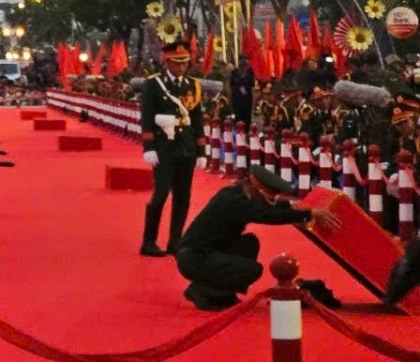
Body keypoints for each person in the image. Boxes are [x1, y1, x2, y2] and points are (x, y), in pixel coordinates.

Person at [175, 166, 342, 310]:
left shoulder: (235, 193)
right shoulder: (236, 202)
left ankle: (223, 294)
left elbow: (269, 207)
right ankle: (202, 291)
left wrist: (296, 207)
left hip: (203, 253)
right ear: (259, 189)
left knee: (249, 242)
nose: (272, 199)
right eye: (270, 195)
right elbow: (268, 214)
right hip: (195, 259)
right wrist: (309, 214)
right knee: (253, 269)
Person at [140, 41, 205, 257]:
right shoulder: (154, 84)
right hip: (164, 148)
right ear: (166, 62)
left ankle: (175, 241)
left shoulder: (192, 85)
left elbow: (197, 119)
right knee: (160, 195)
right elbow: (147, 117)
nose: (181, 67)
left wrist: (201, 150)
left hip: (186, 147)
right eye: (177, 63)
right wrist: (149, 147)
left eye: (184, 63)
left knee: (183, 196)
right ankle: (148, 241)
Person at [229, 56, 255, 127]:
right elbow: (230, 87)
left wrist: (253, 102)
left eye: (245, 64)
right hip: (236, 101)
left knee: (246, 121)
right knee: (237, 120)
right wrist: (230, 100)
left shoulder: (250, 73)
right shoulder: (234, 73)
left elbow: (252, 88)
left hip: (247, 102)